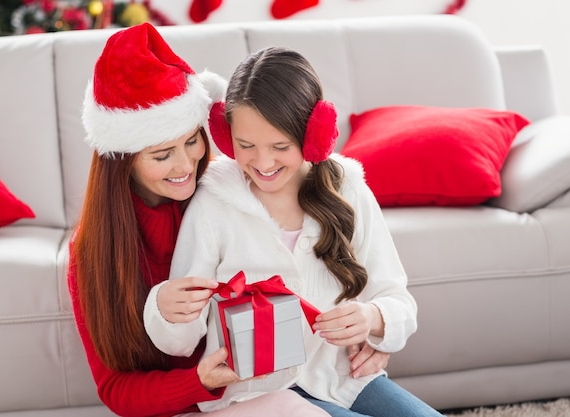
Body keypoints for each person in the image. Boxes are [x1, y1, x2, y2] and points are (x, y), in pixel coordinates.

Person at [143, 46, 445, 417]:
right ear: (225, 135)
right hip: (253, 394)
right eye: (245, 146)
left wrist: (372, 318)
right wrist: (166, 310)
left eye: (280, 146)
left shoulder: (349, 189)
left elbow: (397, 298)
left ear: (315, 134)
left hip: (341, 379)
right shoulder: (213, 202)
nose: (263, 162)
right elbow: (180, 341)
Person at [68, 23, 333, 417]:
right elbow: (116, 390)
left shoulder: (224, 193)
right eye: (162, 155)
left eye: (192, 140)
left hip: (280, 380)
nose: (186, 165)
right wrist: (201, 382)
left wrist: (359, 330)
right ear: (122, 161)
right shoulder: (94, 253)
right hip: (210, 402)